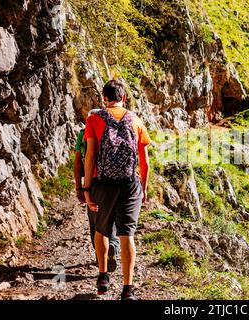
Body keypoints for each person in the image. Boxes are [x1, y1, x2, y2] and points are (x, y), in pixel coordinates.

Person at [83, 79, 151, 300]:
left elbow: (90, 155)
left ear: (104, 98)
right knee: (126, 234)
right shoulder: (136, 120)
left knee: (101, 230)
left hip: (103, 182)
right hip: (130, 183)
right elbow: (145, 163)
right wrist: (143, 189)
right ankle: (127, 289)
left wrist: (86, 187)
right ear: (123, 98)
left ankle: (103, 277)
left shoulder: (94, 118)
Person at [73, 110, 120, 272]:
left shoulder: (82, 134)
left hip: (92, 182)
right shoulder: (112, 131)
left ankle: (101, 257)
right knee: (111, 216)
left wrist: (79, 186)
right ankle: (113, 244)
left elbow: (78, 162)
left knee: (95, 221)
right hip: (113, 180)